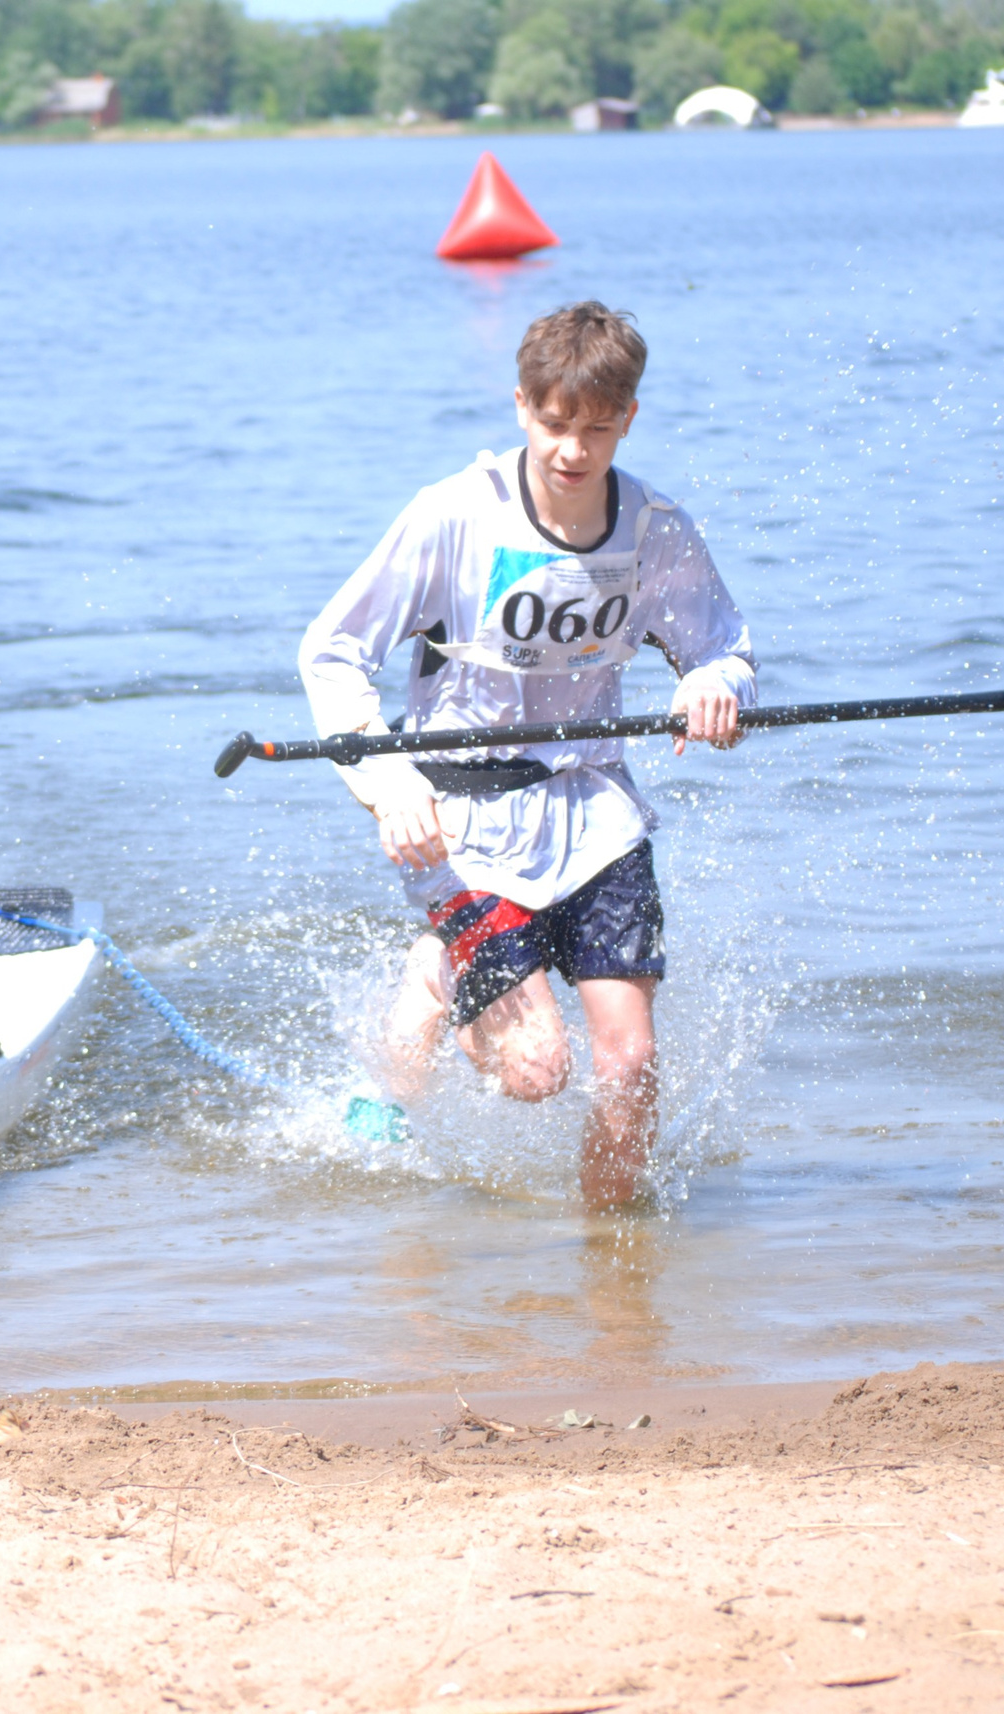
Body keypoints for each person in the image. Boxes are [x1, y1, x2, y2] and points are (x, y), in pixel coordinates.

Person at [297, 302, 756, 1209]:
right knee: (538, 1072)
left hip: (596, 813)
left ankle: (614, 1273)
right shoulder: (451, 517)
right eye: (554, 425)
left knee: (630, 1066)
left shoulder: (656, 529)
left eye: (596, 428)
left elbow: (723, 647)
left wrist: (716, 687)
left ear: (628, 417)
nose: (573, 453)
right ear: (521, 407)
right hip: (459, 826)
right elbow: (333, 651)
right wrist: (387, 783)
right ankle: (440, 963)